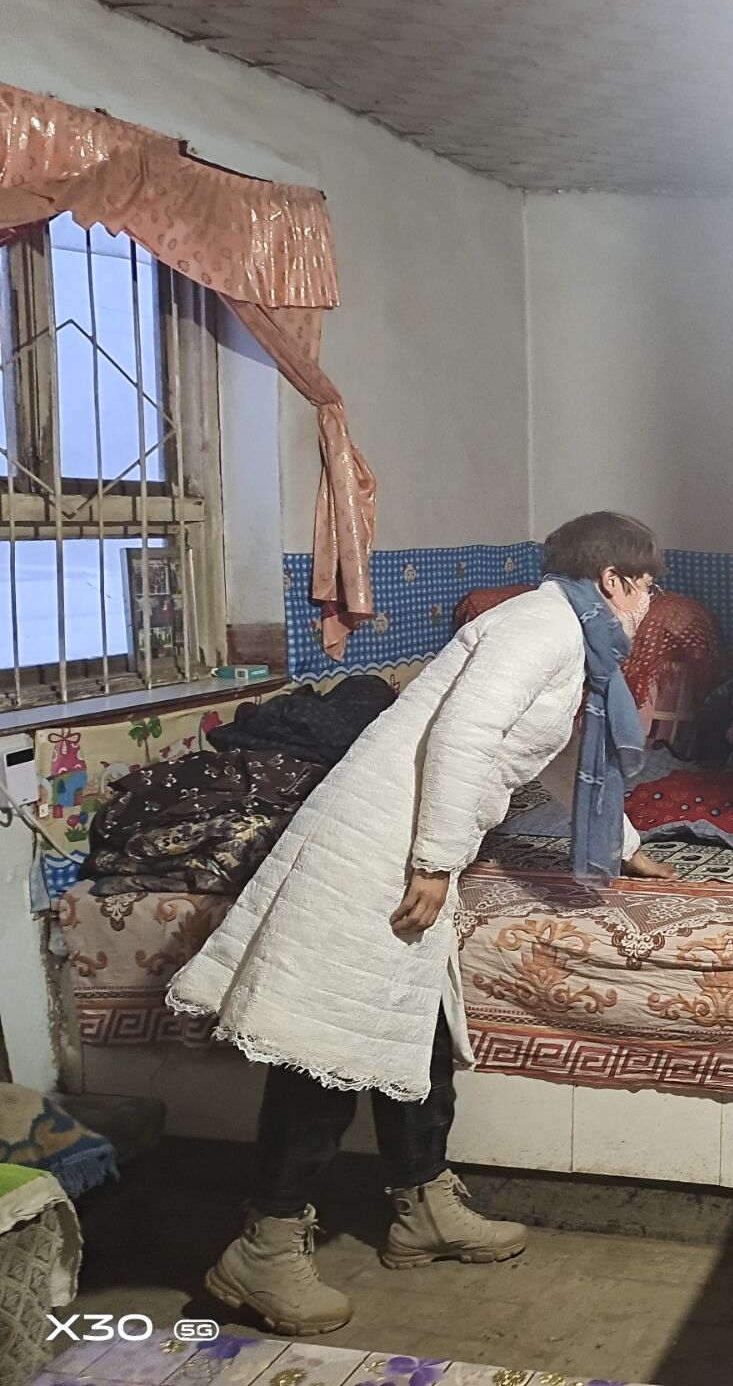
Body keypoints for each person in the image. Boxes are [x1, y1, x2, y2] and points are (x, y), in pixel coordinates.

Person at [169, 511, 672, 1337]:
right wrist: (434, 861)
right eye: (647, 585)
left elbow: (550, 753)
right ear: (613, 579)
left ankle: (424, 1209)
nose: (650, 602)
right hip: (382, 844)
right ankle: (263, 1247)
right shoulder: (542, 628)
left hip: (408, 844)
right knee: (325, 1041)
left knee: (418, 1028)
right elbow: (465, 736)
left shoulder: (561, 629)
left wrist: (624, 845)